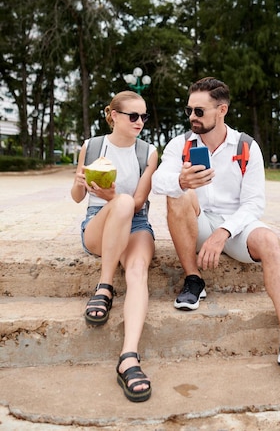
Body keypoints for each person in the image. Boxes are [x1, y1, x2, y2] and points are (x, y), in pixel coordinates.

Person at [152, 77, 280, 386]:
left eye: (199, 111)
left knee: (269, 239)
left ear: (221, 109)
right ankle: (193, 279)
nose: (192, 118)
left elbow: (254, 204)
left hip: (235, 228)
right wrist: (181, 182)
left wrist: (224, 232)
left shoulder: (246, 146)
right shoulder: (181, 144)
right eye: (189, 110)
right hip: (196, 225)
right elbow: (158, 181)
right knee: (178, 195)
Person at [71, 91, 158, 402]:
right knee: (118, 203)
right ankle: (105, 284)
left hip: (136, 223)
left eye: (144, 116)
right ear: (114, 116)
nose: (139, 122)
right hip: (98, 223)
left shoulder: (148, 152)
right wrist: (80, 184)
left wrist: (114, 198)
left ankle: (129, 357)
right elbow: (77, 198)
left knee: (137, 271)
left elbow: (137, 203)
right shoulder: (92, 147)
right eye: (133, 116)